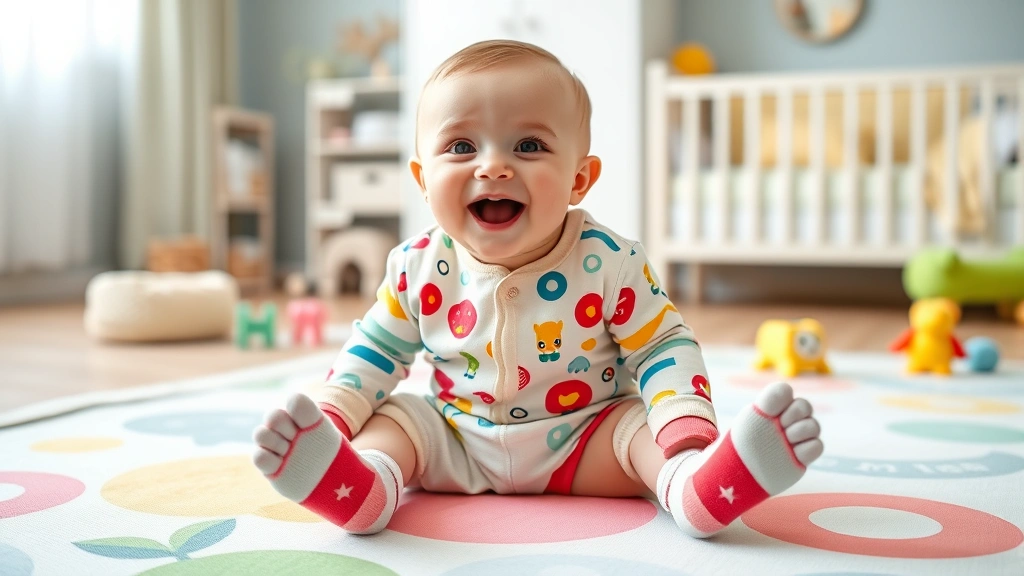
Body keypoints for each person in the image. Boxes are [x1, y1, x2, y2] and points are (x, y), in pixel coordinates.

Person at [252, 39, 823, 538]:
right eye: (461, 147)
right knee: (397, 419)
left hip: (584, 443)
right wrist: (334, 418)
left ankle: (692, 490)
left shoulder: (610, 262)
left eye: (528, 146)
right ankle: (365, 489)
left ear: (579, 179)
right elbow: (374, 353)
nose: (494, 167)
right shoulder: (415, 267)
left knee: (637, 431)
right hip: (453, 440)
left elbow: (662, 347)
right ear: (423, 181)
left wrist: (682, 423)